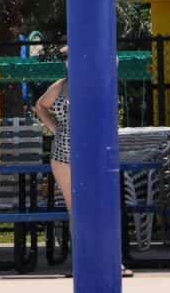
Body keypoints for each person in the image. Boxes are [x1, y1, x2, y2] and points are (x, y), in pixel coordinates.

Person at [33, 46, 133, 277]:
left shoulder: (101, 80)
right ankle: (83, 263)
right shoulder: (61, 85)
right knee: (77, 210)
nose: (69, 61)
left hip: (95, 154)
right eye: (67, 58)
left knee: (102, 208)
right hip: (65, 155)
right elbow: (40, 106)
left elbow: (113, 58)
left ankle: (110, 261)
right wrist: (55, 128)